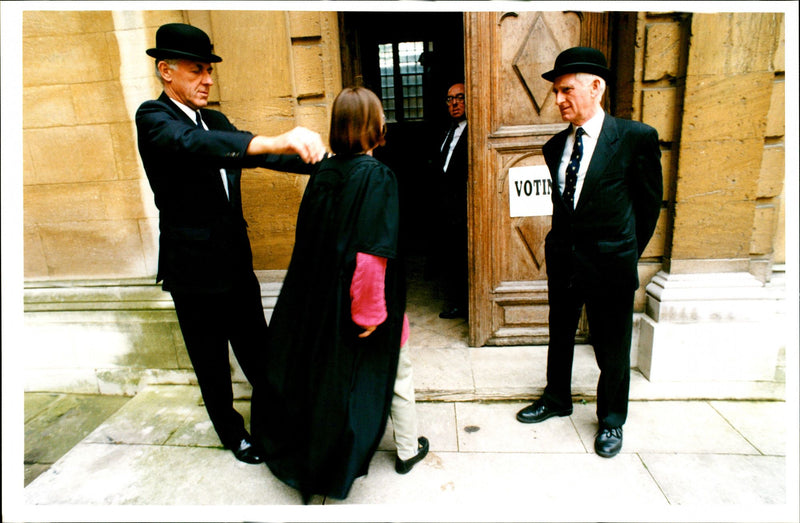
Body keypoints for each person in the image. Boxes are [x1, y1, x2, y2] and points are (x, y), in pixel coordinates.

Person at [135, 23, 325, 465]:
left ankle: (282, 419)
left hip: (236, 265)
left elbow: (259, 154)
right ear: (166, 70)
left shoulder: (216, 120)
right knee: (212, 364)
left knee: (259, 352)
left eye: (209, 71)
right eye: (197, 70)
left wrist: (324, 165)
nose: (207, 80)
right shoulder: (154, 118)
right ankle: (232, 434)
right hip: (192, 273)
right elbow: (193, 145)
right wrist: (276, 136)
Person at [251, 87, 427, 503]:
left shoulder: (325, 172)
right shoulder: (378, 177)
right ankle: (406, 449)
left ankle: (312, 457)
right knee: (397, 369)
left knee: (321, 383)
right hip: (360, 304)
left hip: (317, 301)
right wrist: (370, 315)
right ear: (375, 126)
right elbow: (371, 255)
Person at [515, 47, 662, 458]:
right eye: (556, 91)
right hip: (564, 258)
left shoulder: (635, 138)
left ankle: (612, 421)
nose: (559, 99)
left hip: (611, 262)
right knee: (559, 331)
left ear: (596, 87)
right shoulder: (553, 147)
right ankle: (557, 399)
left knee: (611, 344)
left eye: (567, 90)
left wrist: (625, 253)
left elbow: (649, 207)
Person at [435, 82, 469, 320]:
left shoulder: (474, 131)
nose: (454, 103)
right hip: (448, 207)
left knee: (464, 257)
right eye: (450, 99)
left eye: (460, 97)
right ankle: (457, 302)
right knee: (452, 256)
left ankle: (468, 307)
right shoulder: (448, 131)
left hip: (465, 207)